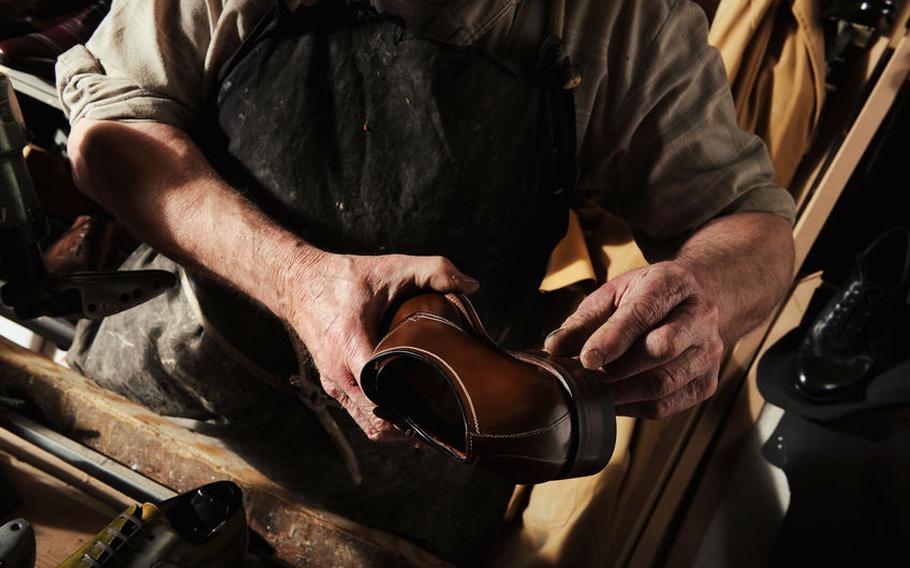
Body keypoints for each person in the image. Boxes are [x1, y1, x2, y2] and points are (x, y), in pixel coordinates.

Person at [56, 0, 796, 562]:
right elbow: (112, 131)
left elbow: (752, 222)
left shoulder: (620, 21)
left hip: (404, 489)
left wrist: (708, 290)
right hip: (166, 399)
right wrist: (297, 279)